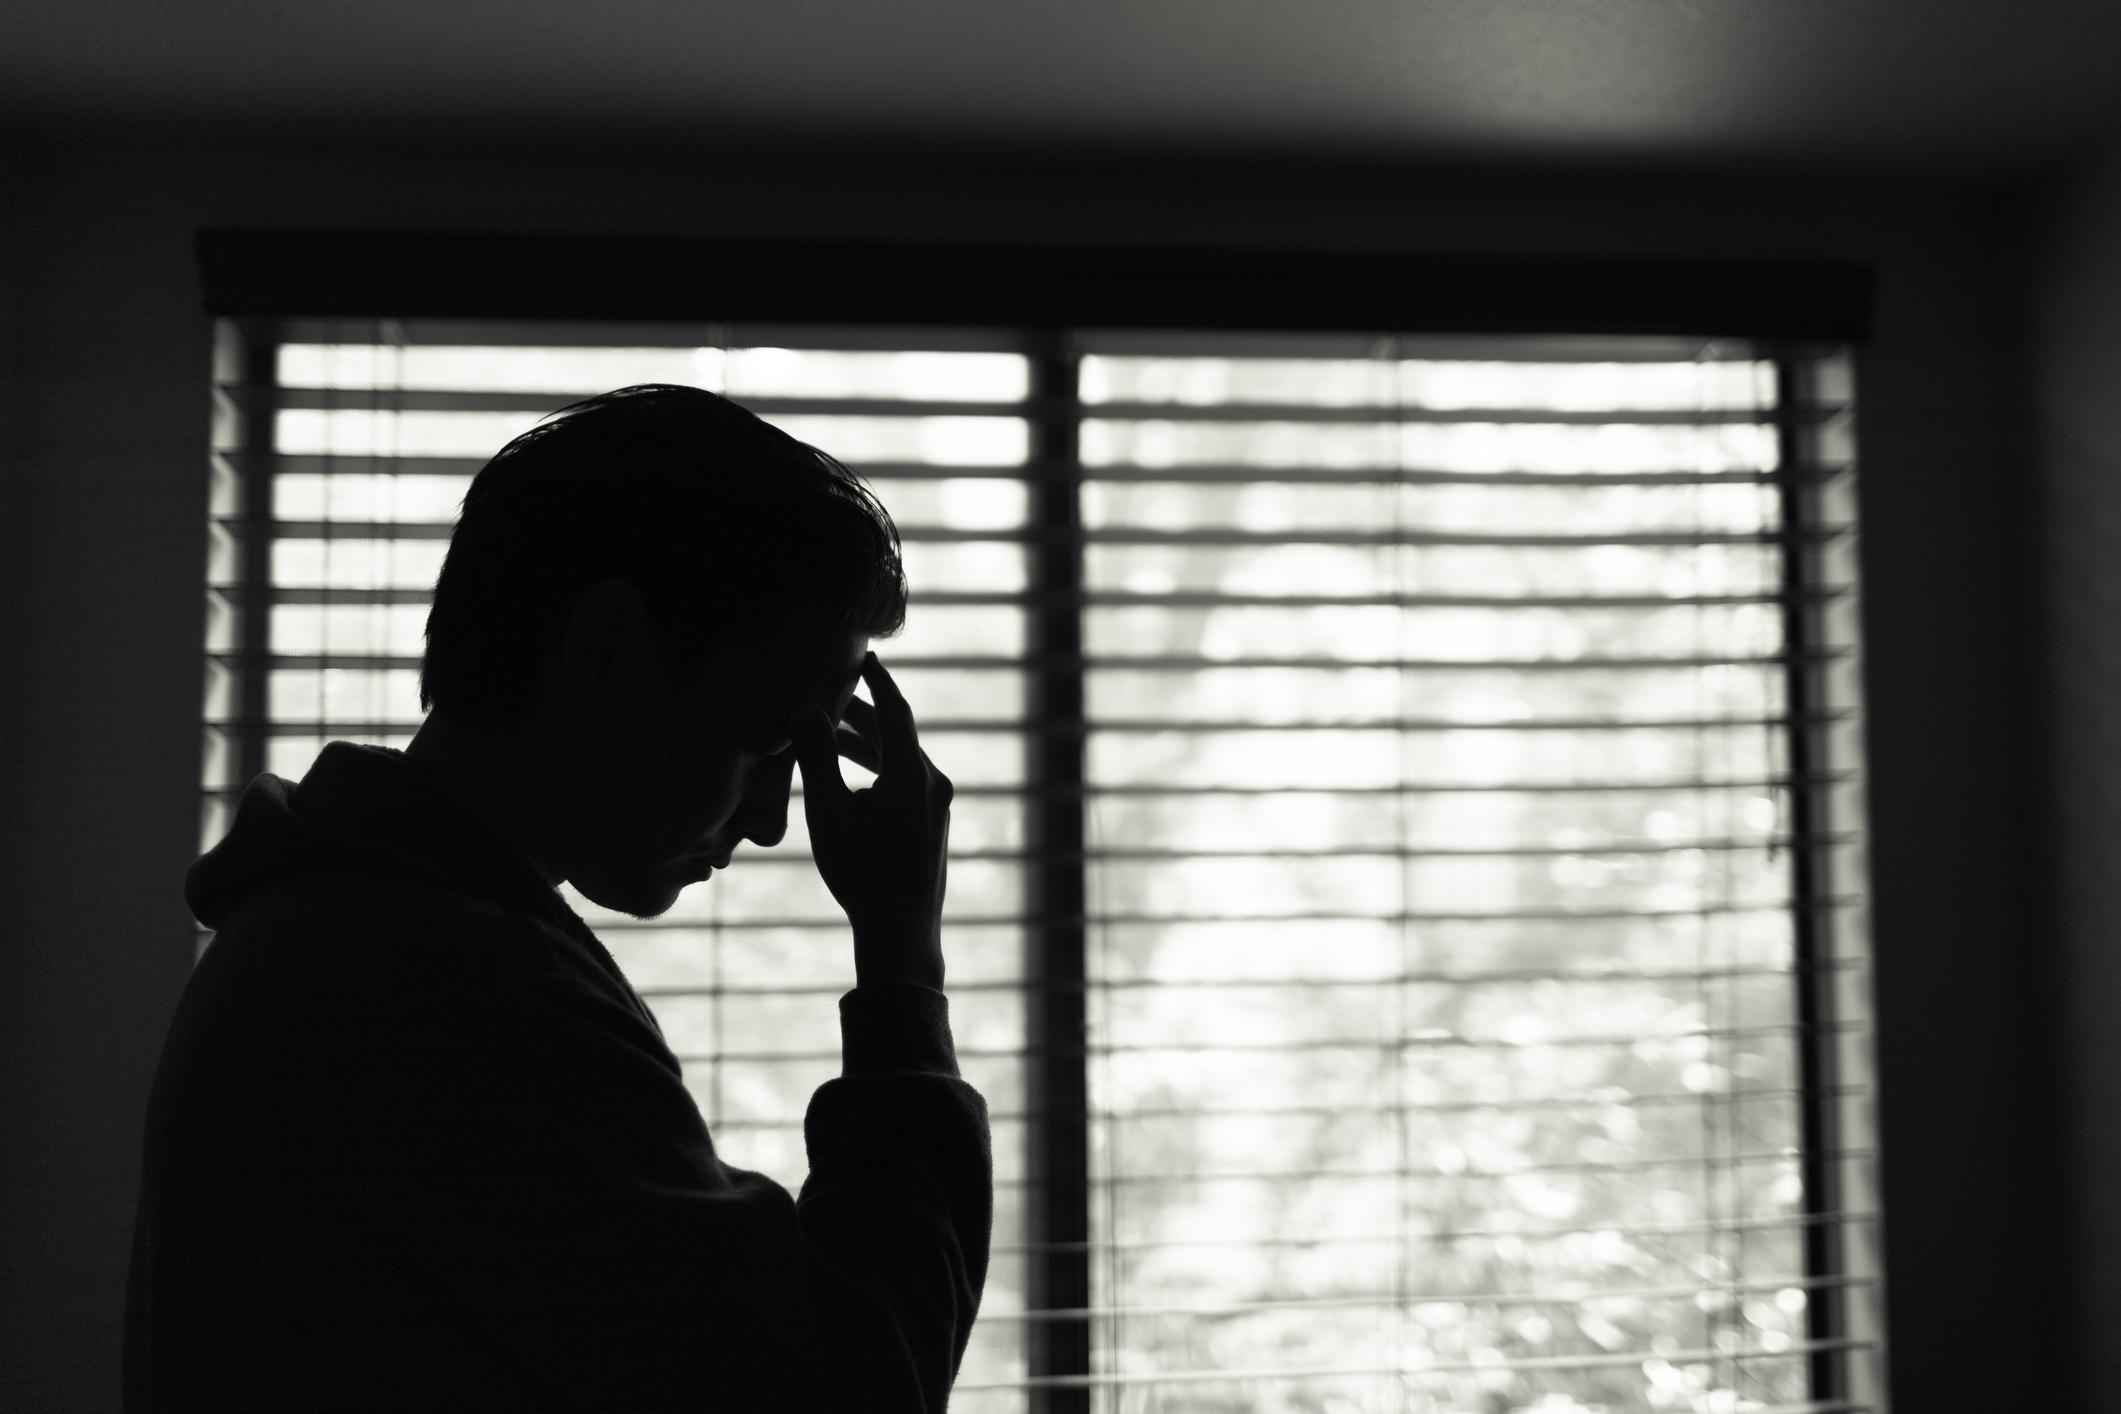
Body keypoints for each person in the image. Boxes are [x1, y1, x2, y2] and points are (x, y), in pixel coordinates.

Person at [123, 385, 991, 1412]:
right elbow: (853, 1386)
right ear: (605, 645)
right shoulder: (453, 996)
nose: (770, 822)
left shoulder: (335, 926)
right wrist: (900, 957)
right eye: (766, 736)